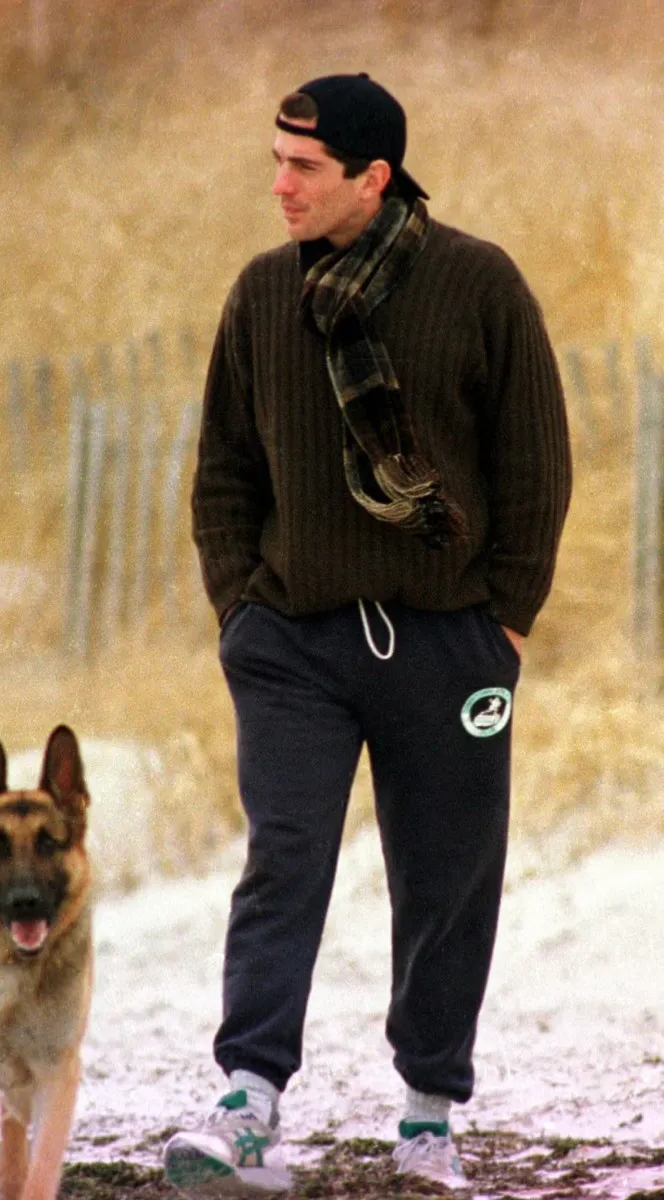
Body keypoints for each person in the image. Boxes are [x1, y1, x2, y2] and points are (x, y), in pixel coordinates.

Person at [164, 72, 572, 1196]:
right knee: (282, 860)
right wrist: (238, 609)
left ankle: (428, 1113)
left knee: (446, 876)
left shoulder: (477, 284)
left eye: (303, 166)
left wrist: (505, 625)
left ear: (371, 177)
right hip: (290, 642)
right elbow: (224, 476)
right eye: (275, 161)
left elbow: (533, 465)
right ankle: (248, 1100)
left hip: (448, 643)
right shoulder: (258, 296)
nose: (279, 185)